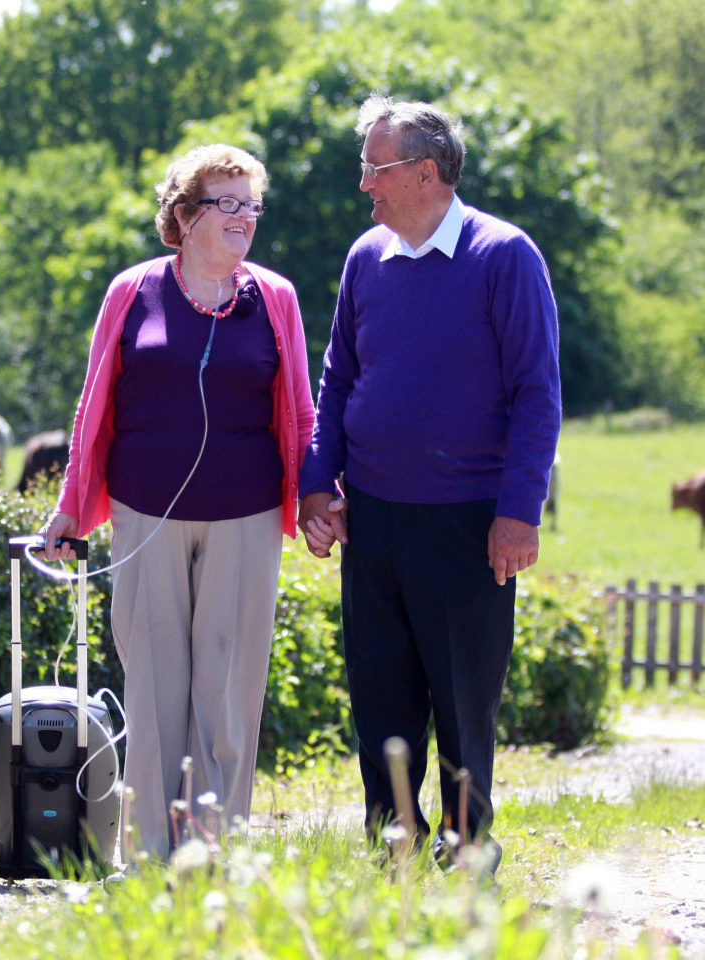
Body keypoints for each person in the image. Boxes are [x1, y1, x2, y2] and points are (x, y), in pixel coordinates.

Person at [298, 96, 561, 868]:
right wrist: (317, 483)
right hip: (374, 517)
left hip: (468, 520)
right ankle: (393, 841)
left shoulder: (504, 255)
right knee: (380, 691)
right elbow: (337, 379)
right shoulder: (365, 259)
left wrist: (519, 511)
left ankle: (467, 843)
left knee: (462, 696)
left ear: (425, 172)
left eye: (375, 169)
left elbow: (537, 394)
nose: (364, 186)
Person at [39, 144, 315, 861]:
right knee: (155, 690)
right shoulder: (133, 291)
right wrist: (72, 505)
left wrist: (319, 496)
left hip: (247, 517)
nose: (244, 217)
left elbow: (300, 412)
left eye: (252, 204)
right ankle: (148, 857)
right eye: (228, 203)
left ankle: (212, 860)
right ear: (185, 215)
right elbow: (93, 404)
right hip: (144, 513)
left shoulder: (276, 298)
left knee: (227, 695)